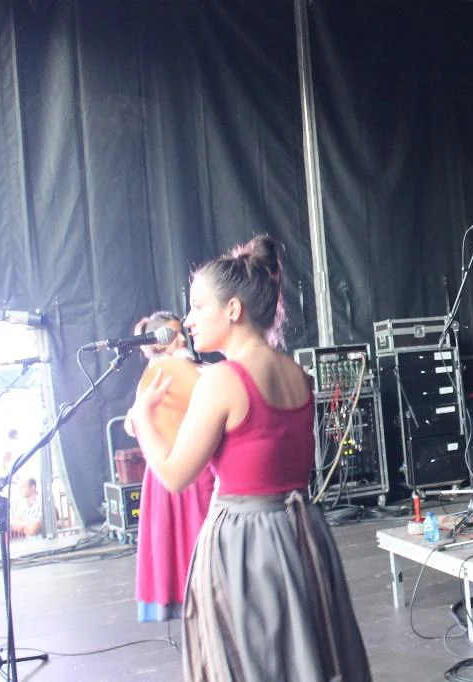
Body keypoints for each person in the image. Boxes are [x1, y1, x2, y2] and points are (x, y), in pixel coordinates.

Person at [130, 235, 371, 681]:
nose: (188, 320)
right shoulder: (296, 373)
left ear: (233, 309)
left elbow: (175, 475)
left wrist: (143, 418)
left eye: (198, 306)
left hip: (248, 544)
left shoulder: (222, 379)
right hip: (303, 534)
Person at [125, 311, 216, 623]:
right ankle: (186, 603)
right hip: (168, 467)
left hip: (199, 466)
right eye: (172, 335)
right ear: (157, 343)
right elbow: (131, 423)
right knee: (177, 541)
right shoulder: (157, 376)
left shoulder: (199, 371)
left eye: (180, 333)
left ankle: (209, 599)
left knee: (201, 538)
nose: (181, 339)